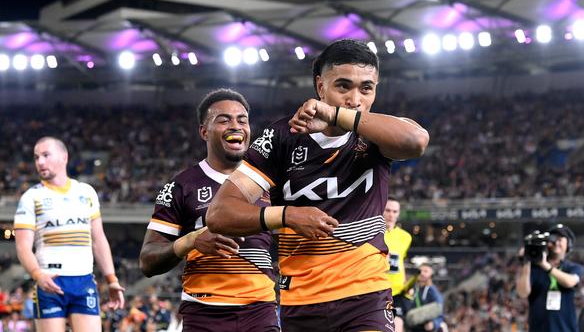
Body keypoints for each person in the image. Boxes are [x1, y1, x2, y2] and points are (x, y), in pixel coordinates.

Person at [206, 39, 430, 332]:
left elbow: (415, 142)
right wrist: (287, 216)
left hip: (365, 297)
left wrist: (335, 115)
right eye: (343, 86)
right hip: (299, 301)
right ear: (320, 85)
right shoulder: (281, 137)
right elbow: (219, 214)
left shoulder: (377, 132)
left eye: (366, 88)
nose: (355, 99)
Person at [139, 89, 279, 331]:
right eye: (224, 120)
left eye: (242, 120)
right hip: (203, 314)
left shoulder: (270, 181)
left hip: (260, 311)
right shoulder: (180, 186)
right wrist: (191, 241)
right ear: (204, 131)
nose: (235, 126)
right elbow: (147, 261)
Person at [14, 136, 125, 332]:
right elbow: (22, 246)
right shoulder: (31, 197)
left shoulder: (86, 192)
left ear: (64, 157)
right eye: (36, 157)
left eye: (46, 155)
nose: (40, 162)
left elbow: (98, 239)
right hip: (49, 282)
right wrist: (37, 274)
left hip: (83, 281)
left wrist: (112, 279)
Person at [516, 224, 584, 332]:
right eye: (552, 239)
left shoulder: (573, 268)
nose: (556, 242)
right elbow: (523, 293)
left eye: (560, 239)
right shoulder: (534, 268)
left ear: (568, 244)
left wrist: (545, 265)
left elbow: (569, 282)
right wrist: (527, 262)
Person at [384, 197, 413, 332]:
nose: (391, 215)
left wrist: (406, 283)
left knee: (398, 327)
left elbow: (401, 261)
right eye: (388, 210)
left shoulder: (406, 237)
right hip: (376, 290)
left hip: (397, 293)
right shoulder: (372, 233)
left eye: (395, 211)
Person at [403, 264, 445, 332]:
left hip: (426, 328)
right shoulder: (411, 289)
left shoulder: (432, 290)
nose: (422, 273)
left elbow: (439, 310)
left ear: (431, 275)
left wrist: (434, 323)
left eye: (425, 271)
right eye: (420, 271)